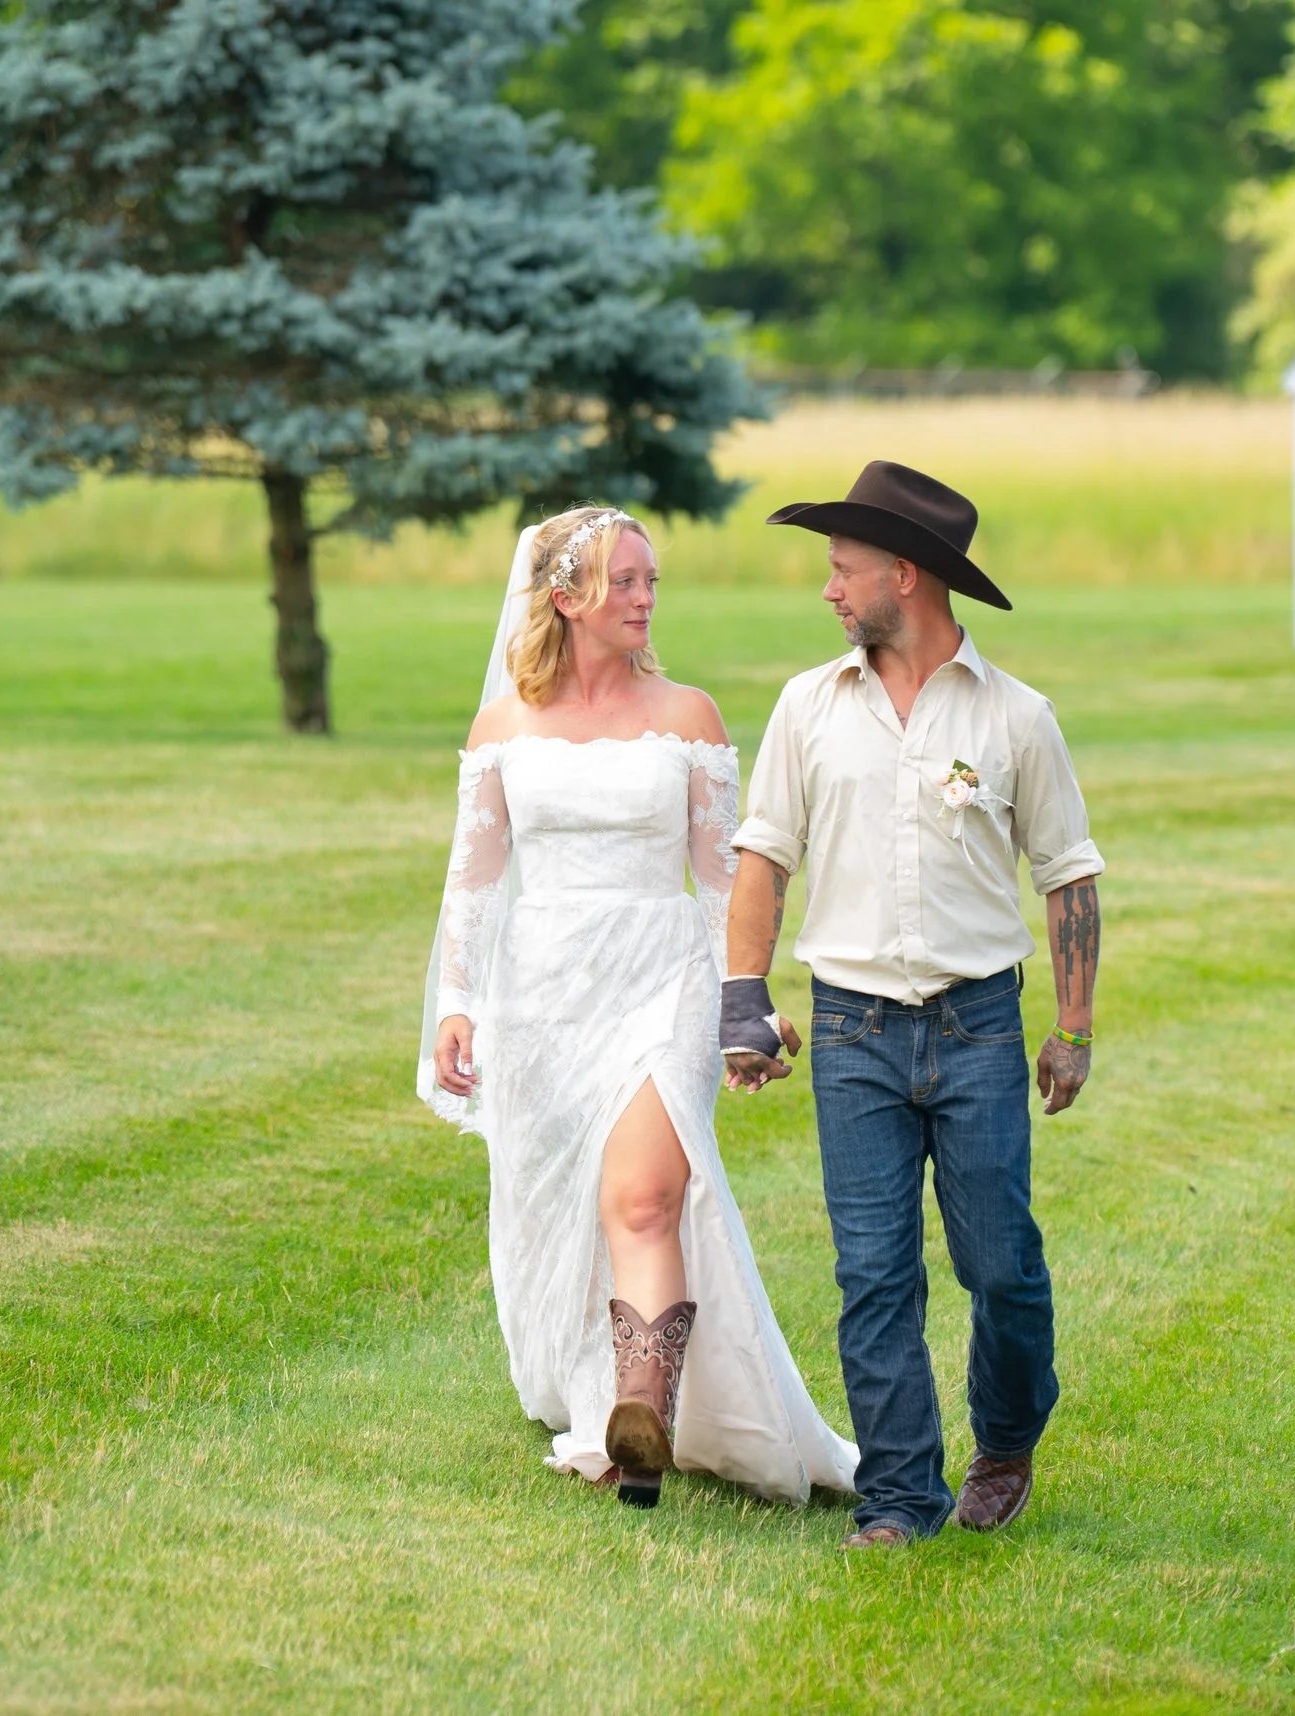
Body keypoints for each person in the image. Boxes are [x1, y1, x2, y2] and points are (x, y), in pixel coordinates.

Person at [418, 505, 860, 1509]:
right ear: (565, 597)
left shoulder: (689, 718)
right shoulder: (503, 729)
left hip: (662, 981)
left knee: (646, 1199)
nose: (645, 599)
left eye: (651, 581)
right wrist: (457, 1002)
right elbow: (475, 878)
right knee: (560, 1213)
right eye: (623, 581)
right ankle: (611, 1397)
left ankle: (640, 1420)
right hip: (543, 992)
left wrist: (743, 1000)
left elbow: (722, 882)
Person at [721, 461, 1104, 1550]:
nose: (830, 590)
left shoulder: (1016, 717)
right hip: (849, 1031)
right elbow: (763, 855)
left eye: (843, 570)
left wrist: (1070, 1030)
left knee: (999, 1266)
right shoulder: (808, 705)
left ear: (906, 574)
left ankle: (1009, 1435)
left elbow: (1067, 874)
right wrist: (742, 998)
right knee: (873, 1273)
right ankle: (899, 1498)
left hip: (978, 1026)